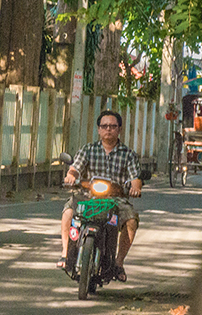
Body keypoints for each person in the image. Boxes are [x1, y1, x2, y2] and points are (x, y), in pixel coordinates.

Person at [59, 110, 142, 282]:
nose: (108, 130)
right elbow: (75, 167)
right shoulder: (88, 149)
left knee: (132, 220)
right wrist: (71, 176)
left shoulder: (128, 154)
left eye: (112, 126)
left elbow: (135, 179)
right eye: (104, 126)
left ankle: (118, 263)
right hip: (89, 196)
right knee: (68, 211)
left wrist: (135, 188)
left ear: (119, 129)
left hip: (115, 199)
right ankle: (65, 253)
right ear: (98, 129)